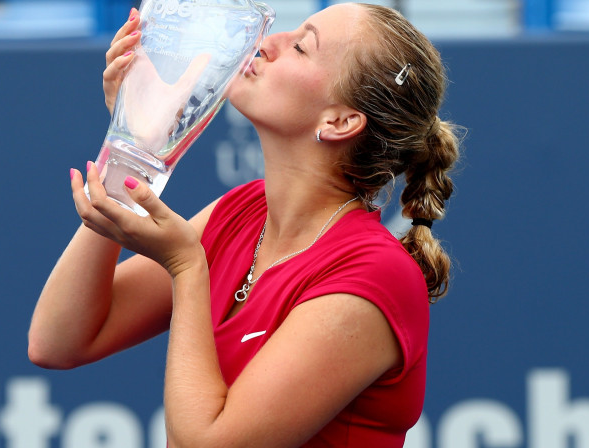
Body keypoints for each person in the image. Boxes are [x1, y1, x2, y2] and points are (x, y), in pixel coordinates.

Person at [28, 3, 461, 447]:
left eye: (300, 46)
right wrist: (139, 143)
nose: (266, 42)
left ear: (340, 121)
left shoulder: (373, 275)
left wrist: (187, 267)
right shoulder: (243, 209)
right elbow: (59, 340)